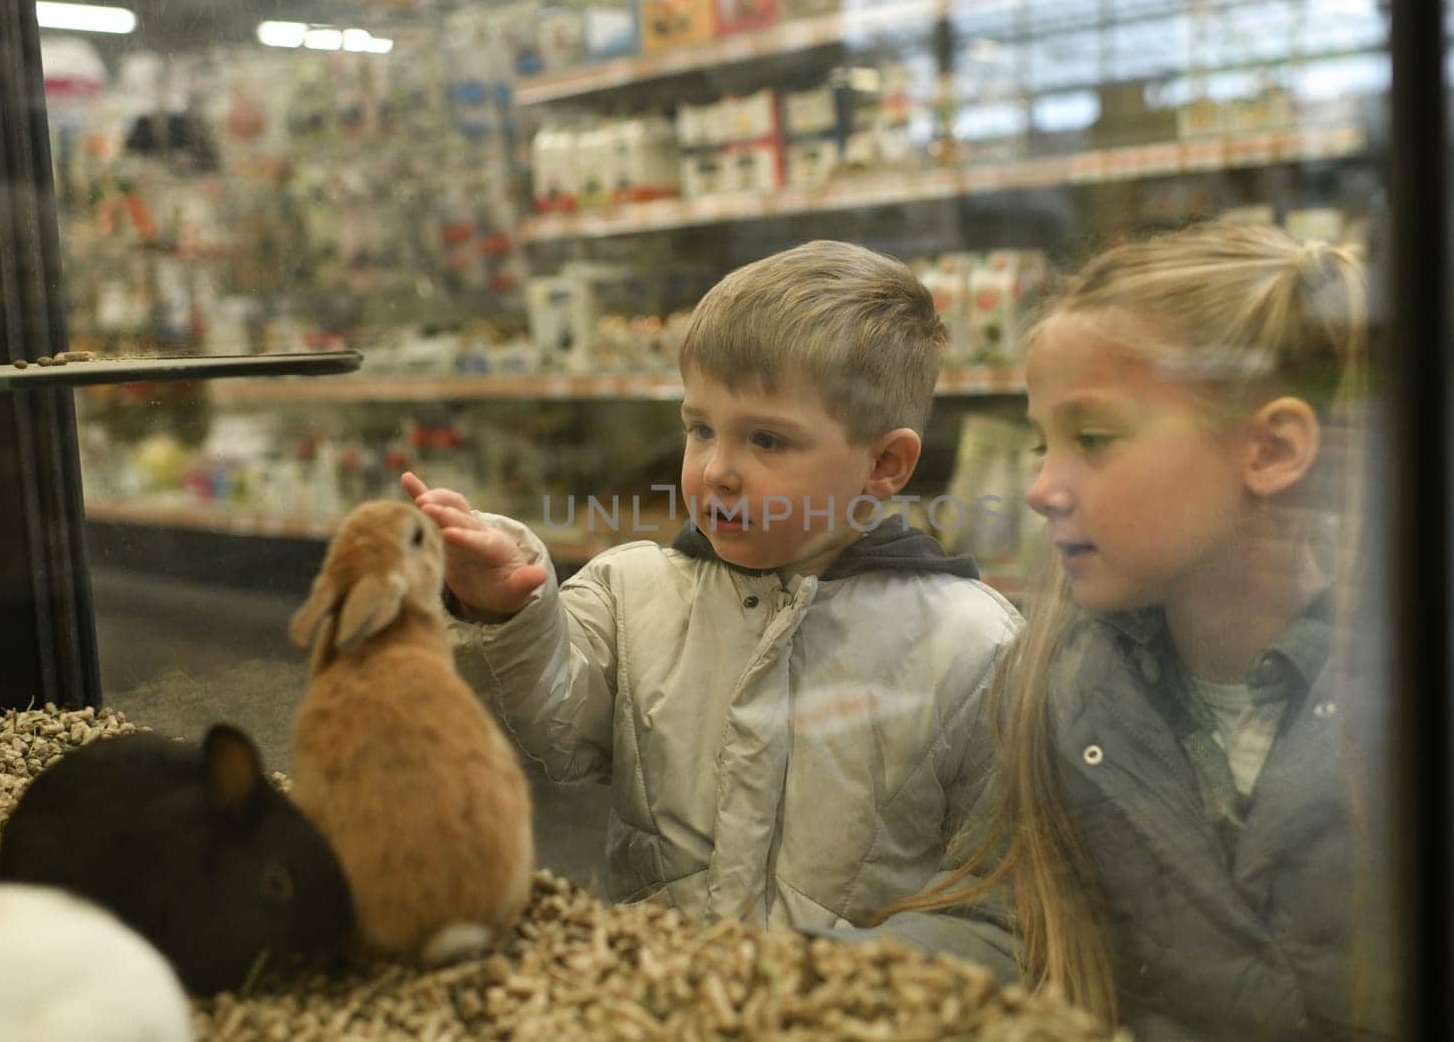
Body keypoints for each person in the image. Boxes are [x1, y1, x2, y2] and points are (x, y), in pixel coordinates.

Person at [846, 222, 1454, 1040]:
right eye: (1042, 440)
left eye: (1093, 439)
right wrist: (826, 982)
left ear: (1272, 448)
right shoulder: (1057, 679)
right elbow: (1012, 921)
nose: (1043, 486)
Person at [402, 240, 1021, 930]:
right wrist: (508, 611)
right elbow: (556, 733)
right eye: (700, 429)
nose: (717, 470)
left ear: (885, 462)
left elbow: (994, 904)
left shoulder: (973, 645)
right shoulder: (630, 592)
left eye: (767, 440)